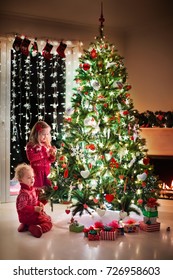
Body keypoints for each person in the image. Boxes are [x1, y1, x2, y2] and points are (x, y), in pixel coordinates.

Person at [15, 163, 53, 238]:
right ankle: (37, 227)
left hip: (28, 216)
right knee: (49, 222)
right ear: (21, 180)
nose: (32, 179)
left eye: (33, 177)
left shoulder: (31, 189)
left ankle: (26, 225)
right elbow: (22, 208)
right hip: (30, 216)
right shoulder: (24, 193)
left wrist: (39, 203)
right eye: (29, 177)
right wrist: (34, 209)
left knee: (46, 216)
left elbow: (34, 201)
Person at [26, 121, 57, 200]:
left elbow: (50, 160)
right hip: (37, 173)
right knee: (37, 192)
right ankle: (35, 208)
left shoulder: (47, 145)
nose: (45, 136)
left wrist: (52, 155)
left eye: (47, 134)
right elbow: (31, 158)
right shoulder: (31, 145)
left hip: (47, 173)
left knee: (47, 193)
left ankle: (41, 209)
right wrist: (44, 153)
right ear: (37, 134)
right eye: (43, 134)